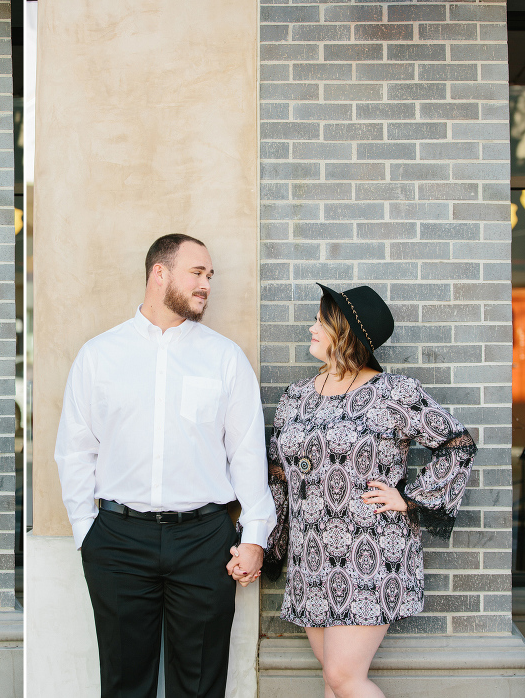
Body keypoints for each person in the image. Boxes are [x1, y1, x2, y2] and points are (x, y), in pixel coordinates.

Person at [54, 233, 277, 698]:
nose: (207, 285)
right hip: (117, 540)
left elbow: (248, 453)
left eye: (210, 276)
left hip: (205, 540)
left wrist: (255, 536)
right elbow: (75, 449)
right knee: (123, 684)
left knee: (199, 684)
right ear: (160, 273)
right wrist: (86, 531)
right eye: (197, 273)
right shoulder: (99, 356)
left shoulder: (224, 358)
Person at [264, 284, 477, 698]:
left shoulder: (393, 392)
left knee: (344, 677)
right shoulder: (294, 398)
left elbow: (457, 444)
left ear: (343, 332)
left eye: (319, 321)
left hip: (369, 554)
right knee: (333, 679)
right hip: (312, 556)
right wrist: (263, 542)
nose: (310, 328)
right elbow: (279, 477)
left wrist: (410, 498)